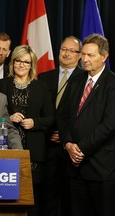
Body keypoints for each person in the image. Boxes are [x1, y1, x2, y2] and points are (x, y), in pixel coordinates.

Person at [0, 45, 54, 216]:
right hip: (6, 147)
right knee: (7, 196)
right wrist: (8, 118)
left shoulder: (41, 87)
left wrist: (34, 122)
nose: (21, 65)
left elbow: (51, 118)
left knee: (31, 199)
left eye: (26, 62)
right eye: (18, 61)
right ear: (12, 63)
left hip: (34, 152)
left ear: (32, 65)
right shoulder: (2, 84)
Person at [60, 33, 115, 216]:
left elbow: (109, 125)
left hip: (100, 168)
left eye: (90, 55)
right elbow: (63, 116)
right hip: (74, 169)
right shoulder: (75, 80)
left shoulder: (112, 83)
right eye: (83, 54)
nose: (84, 59)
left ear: (104, 57)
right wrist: (68, 144)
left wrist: (80, 149)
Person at [38, 36, 84, 216]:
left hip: (72, 146)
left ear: (80, 55)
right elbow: (40, 109)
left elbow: (85, 115)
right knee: (47, 196)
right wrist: (48, 131)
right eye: (63, 49)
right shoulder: (44, 77)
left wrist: (66, 136)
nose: (66, 54)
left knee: (70, 198)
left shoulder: (85, 78)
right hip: (47, 145)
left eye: (71, 51)